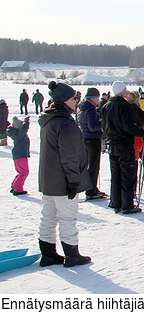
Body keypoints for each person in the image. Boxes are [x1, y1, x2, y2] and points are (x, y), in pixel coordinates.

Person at [37, 81, 92, 267]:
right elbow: (69, 156)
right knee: (68, 217)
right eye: (73, 98)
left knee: (48, 217)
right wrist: (74, 180)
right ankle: (72, 255)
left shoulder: (49, 120)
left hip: (48, 180)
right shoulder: (65, 123)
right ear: (64, 100)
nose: (76, 101)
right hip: (63, 181)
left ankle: (48, 254)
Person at [101, 81, 144, 214]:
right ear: (120, 91)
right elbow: (129, 127)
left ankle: (116, 202)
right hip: (124, 144)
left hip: (112, 144)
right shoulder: (124, 106)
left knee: (115, 175)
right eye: (125, 89)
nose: (127, 91)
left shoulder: (106, 106)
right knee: (127, 174)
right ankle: (127, 205)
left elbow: (103, 126)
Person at [77, 87, 106, 200]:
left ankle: (91, 188)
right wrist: (103, 122)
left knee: (89, 164)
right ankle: (91, 190)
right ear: (93, 98)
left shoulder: (82, 108)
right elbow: (92, 127)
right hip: (92, 138)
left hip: (85, 138)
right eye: (97, 97)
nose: (98, 100)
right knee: (94, 166)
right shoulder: (91, 109)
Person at [8, 116, 30, 195]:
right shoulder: (19, 134)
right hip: (21, 155)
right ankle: (18, 189)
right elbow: (24, 129)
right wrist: (26, 122)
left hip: (17, 155)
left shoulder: (15, 133)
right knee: (24, 172)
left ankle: (14, 186)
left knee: (21, 172)